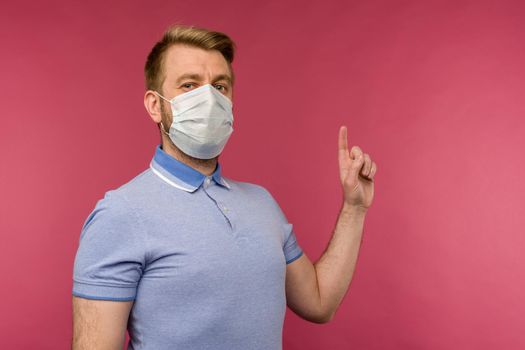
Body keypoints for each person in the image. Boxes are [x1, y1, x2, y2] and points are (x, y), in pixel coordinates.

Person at [71, 24, 377, 350]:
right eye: (189, 85)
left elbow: (319, 303)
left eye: (220, 86)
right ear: (154, 105)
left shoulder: (262, 203)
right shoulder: (120, 214)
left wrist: (354, 207)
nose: (209, 98)